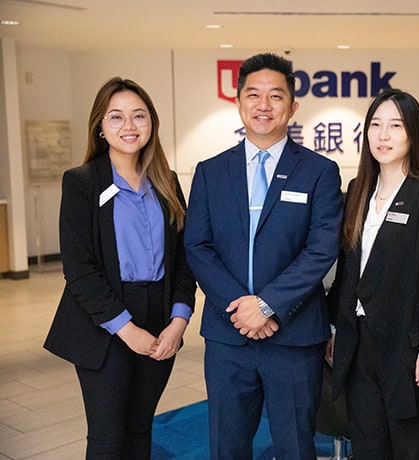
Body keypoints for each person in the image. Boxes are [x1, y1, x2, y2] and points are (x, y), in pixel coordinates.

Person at [184, 52, 343, 459]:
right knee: (227, 445)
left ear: (293, 106)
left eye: (275, 96)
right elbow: (198, 247)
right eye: (253, 95)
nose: (263, 105)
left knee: (295, 445)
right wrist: (240, 309)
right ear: (238, 102)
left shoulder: (319, 172)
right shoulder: (210, 172)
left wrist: (269, 306)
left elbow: (321, 249)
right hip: (228, 335)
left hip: (293, 335)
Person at [44, 77, 196, 459]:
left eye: (138, 116)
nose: (129, 126)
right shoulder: (81, 182)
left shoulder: (167, 182)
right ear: (100, 125)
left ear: (152, 123)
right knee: (108, 436)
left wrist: (178, 320)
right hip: (105, 320)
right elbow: (79, 269)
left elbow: (183, 260)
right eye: (116, 117)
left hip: (160, 315)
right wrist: (127, 331)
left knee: (140, 427)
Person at [326, 88, 419, 459]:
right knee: (367, 447)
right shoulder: (357, 191)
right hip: (358, 345)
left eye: (395, 126)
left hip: (408, 346)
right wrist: (337, 327)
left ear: (413, 133)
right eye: (375, 125)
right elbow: (349, 271)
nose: (383, 136)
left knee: (408, 449)